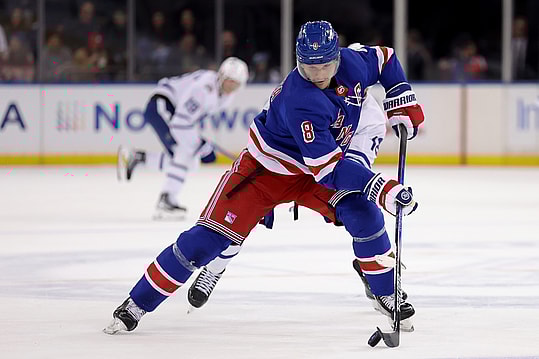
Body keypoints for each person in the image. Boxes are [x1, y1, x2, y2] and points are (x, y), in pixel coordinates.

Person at [104, 21, 424, 335]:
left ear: (338, 57)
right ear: (298, 62)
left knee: (363, 213)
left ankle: (386, 293)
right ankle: (138, 302)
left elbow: (386, 58)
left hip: (313, 169)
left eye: (325, 64)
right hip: (265, 172)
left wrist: (400, 98)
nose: (318, 74)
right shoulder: (302, 99)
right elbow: (328, 170)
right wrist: (379, 187)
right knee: (206, 240)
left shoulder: (354, 63)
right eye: (309, 67)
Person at [117, 57, 249, 219]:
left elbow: (187, 120)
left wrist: (199, 144)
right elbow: (180, 122)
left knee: (190, 162)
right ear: (221, 76)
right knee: (184, 154)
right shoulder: (204, 89)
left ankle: (139, 158)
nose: (231, 86)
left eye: (236, 84)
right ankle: (167, 198)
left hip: (176, 113)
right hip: (162, 106)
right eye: (230, 81)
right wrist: (200, 144)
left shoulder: (225, 96)